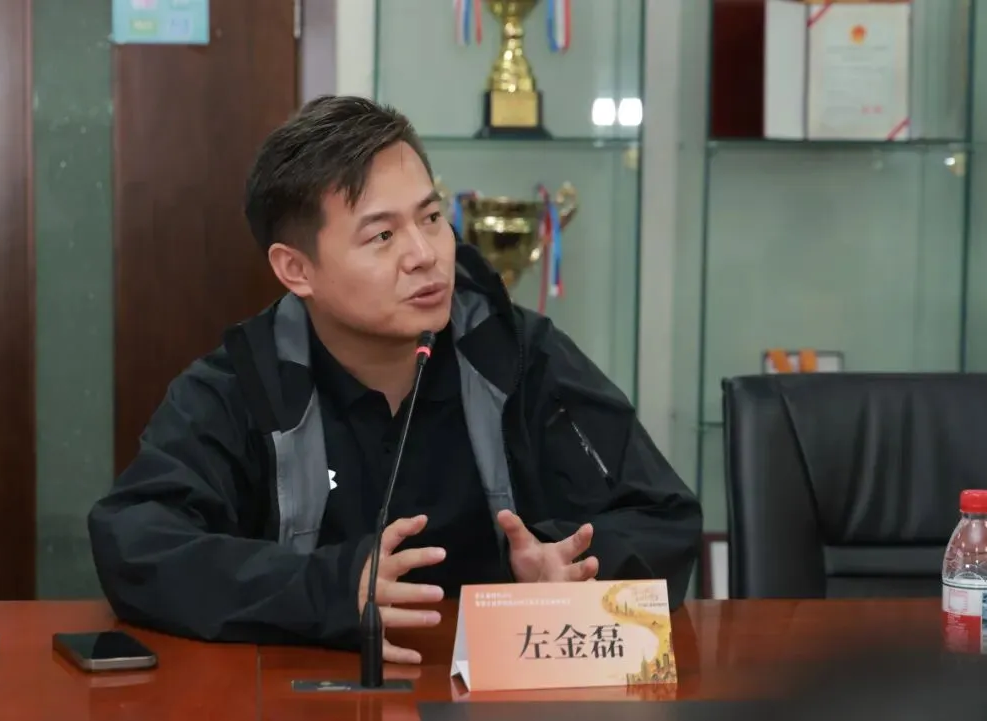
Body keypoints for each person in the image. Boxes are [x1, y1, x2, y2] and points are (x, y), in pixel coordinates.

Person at [88, 95, 703, 664]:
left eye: (431, 217)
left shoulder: (517, 356)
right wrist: (326, 589)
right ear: (296, 269)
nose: (426, 254)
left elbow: (663, 517)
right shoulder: (244, 385)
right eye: (382, 235)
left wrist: (571, 565)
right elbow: (136, 545)